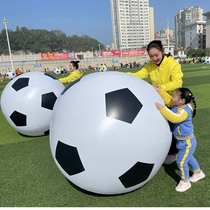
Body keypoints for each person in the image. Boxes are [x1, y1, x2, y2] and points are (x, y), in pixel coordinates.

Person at [127, 40, 183, 164]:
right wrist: (122, 75)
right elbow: (137, 75)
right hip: (158, 102)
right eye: (151, 56)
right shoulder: (150, 66)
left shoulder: (173, 64)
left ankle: (174, 153)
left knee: (173, 129)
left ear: (162, 51)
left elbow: (178, 82)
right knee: (160, 128)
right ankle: (164, 151)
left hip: (172, 101)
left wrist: (161, 88)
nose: (154, 58)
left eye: (156, 55)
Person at [154, 86, 205, 192]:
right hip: (182, 141)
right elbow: (168, 98)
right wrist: (160, 91)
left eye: (174, 97)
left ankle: (185, 182)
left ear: (181, 101)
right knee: (189, 158)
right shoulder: (177, 105)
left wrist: (162, 109)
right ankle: (198, 173)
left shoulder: (184, 111)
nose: (172, 98)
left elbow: (174, 118)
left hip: (187, 142)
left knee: (181, 162)